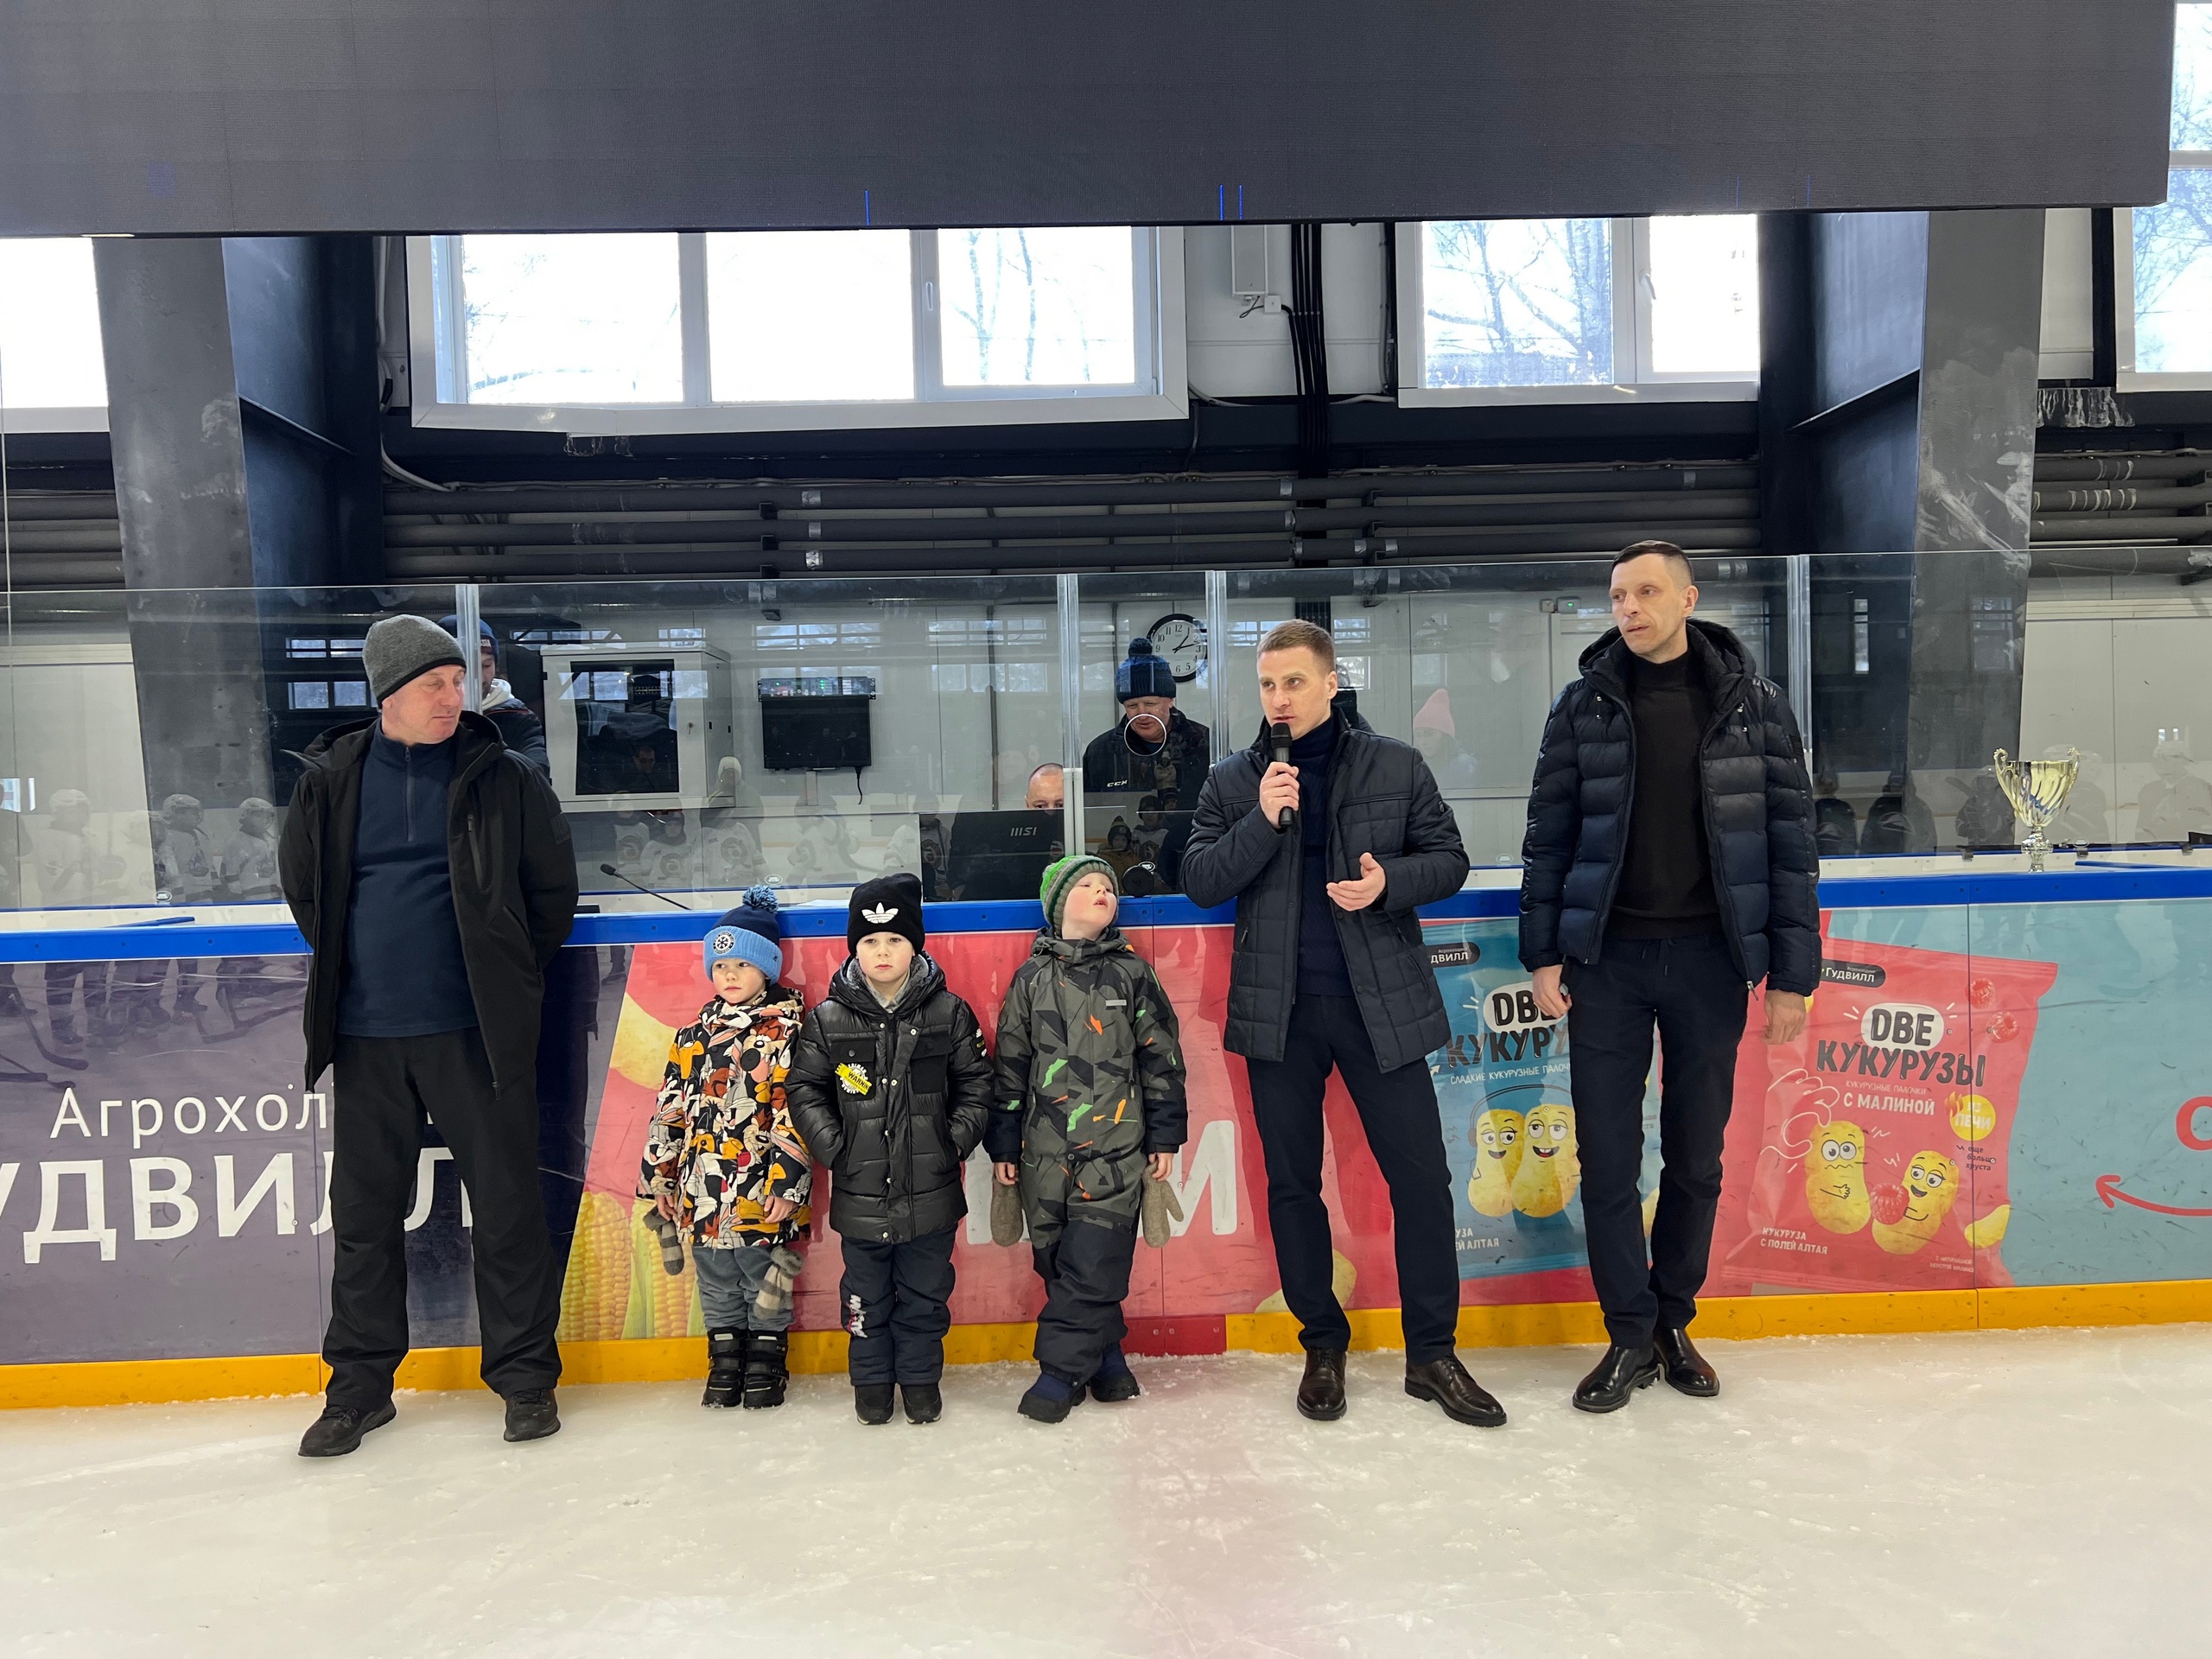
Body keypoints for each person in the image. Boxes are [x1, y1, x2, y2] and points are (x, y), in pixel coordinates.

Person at [1181, 620, 1503, 1429]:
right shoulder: (1235, 779)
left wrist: (1389, 882)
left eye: (1294, 681)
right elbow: (1201, 880)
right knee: (1294, 1186)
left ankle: (1432, 1353)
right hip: (1279, 1014)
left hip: (1380, 1007)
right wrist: (1261, 820)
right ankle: (1322, 1344)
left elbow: (1450, 860)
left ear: (1331, 682)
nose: (1280, 699)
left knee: (1422, 1181)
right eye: (1268, 685)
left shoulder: (1396, 764)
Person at [1520, 541, 1818, 1414]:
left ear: (1687, 598)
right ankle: (1626, 1333)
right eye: (1618, 595)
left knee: (1696, 1156)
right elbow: (1547, 839)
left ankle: (1672, 1324)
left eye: (1646, 592)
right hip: (1607, 964)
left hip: (1709, 963)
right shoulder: (1581, 705)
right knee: (1609, 1159)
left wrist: (1792, 976)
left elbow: (1790, 848)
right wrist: (1544, 952)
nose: (1629, 608)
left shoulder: (1755, 705)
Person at [278, 613, 579, 1458]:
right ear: (389, 695)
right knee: (363, 1220)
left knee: (509, 1209)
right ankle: (358, 1391)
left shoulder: (504, 777)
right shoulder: (331, 781)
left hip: (476, 1034)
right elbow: (307, 892)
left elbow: (551, 893)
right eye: (434, 685)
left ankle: (525, 1381)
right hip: (366, 1036)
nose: (454, 696)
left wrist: (504, 978)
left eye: (457, 681)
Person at [785, 874, 993, 1427]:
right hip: (860, 1195)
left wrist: (951, 1142)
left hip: (932, 1194)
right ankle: (872, 1384)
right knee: (865, 1299)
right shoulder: (829, 1020)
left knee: (925, 1296)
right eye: (871, 941)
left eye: (895, 940)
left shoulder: (948, 1013)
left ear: (915, 945)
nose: (883, 951)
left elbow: (977, 1083)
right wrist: (836, 1148)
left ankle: (921, 1383)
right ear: (854, 948)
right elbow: (804, 1090)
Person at [988, 854, 1187, 1422]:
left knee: (1096, 1259)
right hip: (1043, 1155)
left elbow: (1163, 1059)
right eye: (1089, 885)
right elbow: (1010, 1066)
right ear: (1058, 906)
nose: (1104, 892)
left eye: (1109, 886)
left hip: (1115, 1151)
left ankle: (1057, 1374)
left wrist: (1165, 1136)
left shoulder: (1133, 974)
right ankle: (1106, 1355)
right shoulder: (1030, 980)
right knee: (1057, 1263)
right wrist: (1004, 1144)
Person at [640, 887, 810, 1410]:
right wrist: (661, 1177)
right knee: (715, 1278)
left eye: (742, 965)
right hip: (703, 1190)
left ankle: (766, 1360)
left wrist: (788, 1180)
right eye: (720, 966)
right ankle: (725, 1358)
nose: (730, 975)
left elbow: (796, 1110)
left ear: (767, 969)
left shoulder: (788, 1034)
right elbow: (670, 1109)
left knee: (764, 1273)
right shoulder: (692, 1037)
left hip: (760, 1186)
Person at [1082, 638, 1211, 812]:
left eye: (1150, 704)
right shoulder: (1100, 752)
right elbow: (1089, 813)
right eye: (1132, 706)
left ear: (1170, 700)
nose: (1142, 713)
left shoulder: (1204, 743)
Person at [442, 615, 550, 774]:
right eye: (465, 667)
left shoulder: (518, 719)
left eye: (486, 665)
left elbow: (537, 774)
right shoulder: (426, 716)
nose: (479, 678)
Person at [1412, 690, 1482, 792]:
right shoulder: (1413, 767)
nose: (1423, 741)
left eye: (1429, 734)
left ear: (1445, 736)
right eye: (1418, 735)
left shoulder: (1466, 766)